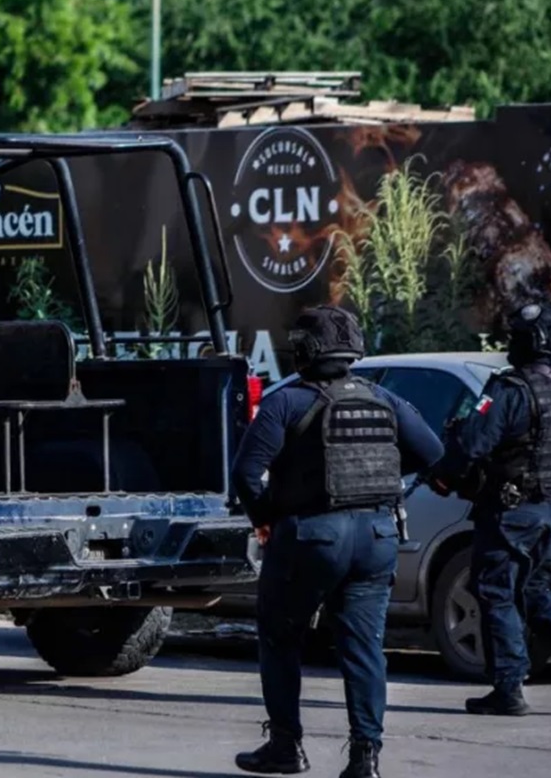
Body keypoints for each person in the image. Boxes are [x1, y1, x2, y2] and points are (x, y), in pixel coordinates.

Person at [230, 305, 443, 778]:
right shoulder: (383, 399)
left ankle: (286, 747)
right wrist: (376, 478)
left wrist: (266, 517)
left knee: (279, 637)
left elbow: (245, 472)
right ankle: (365, 758)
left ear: (303, 351)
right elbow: (432, 452)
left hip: (310, 538)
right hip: (377, 536)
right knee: (364, 649)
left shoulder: (287, 402)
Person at [428, 301, 551, 716]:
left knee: (496, 593)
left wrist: (444, 476)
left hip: (512, 512)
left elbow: (471, 445)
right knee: (539, 590)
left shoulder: (509, 390)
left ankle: (508, 688)